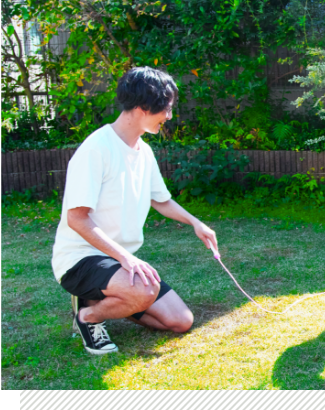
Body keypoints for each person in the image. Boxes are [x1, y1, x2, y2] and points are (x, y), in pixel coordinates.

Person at [51, 67, 219, 355]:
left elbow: (160, 200)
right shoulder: (96, 149)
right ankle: (89, 315)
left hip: (117, 262)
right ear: (142, 107)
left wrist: (196, 223)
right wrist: (127, 258)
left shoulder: (143, 150)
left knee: (181, 321)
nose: (168, 116)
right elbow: (76, 219)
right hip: (80, 259)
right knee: (144, 290)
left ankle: (106, 298)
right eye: (165, 109)